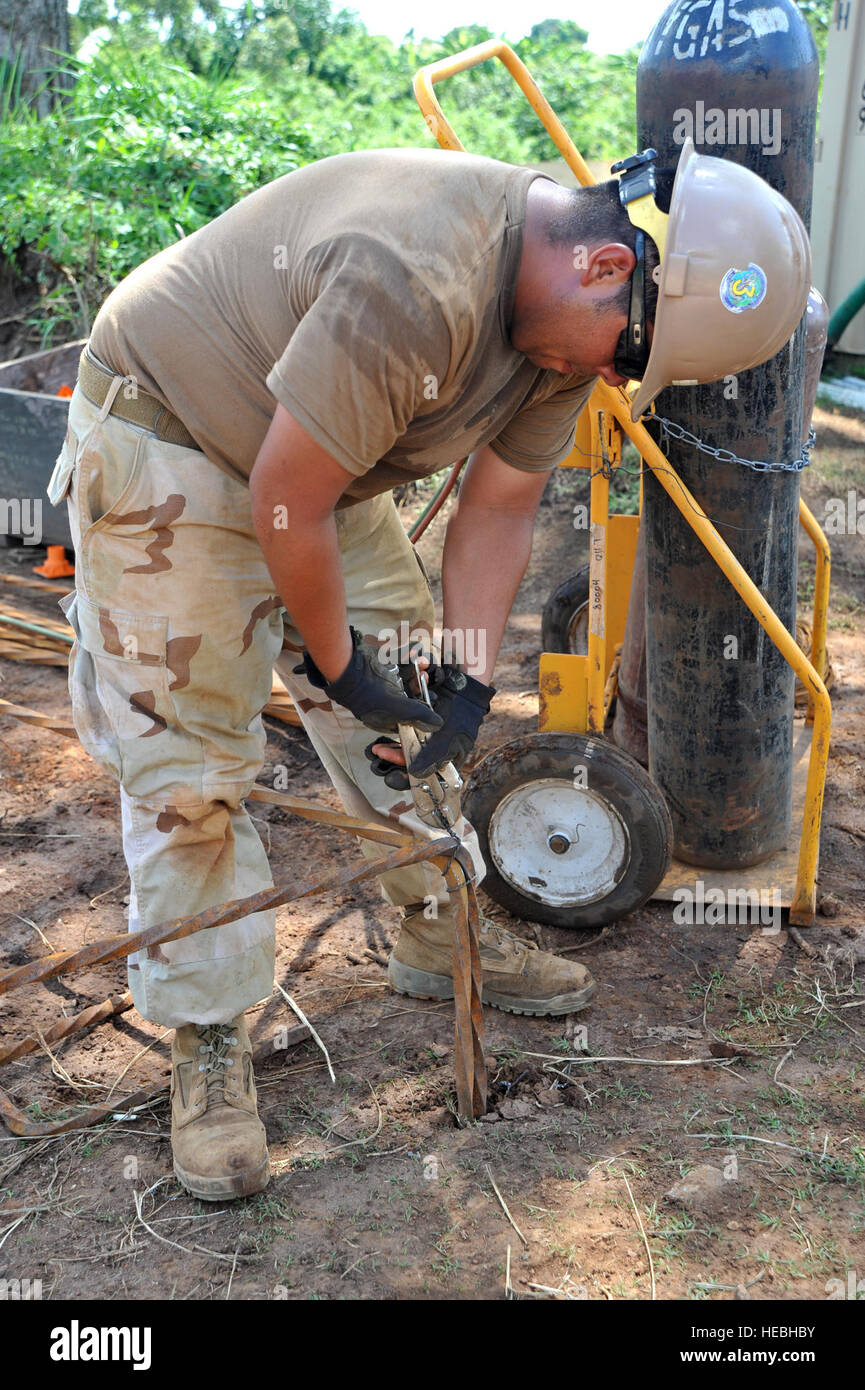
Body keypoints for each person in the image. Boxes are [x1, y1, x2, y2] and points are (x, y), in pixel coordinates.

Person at [47, 138, 809, 1201]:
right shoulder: (415, 277)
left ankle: (437, 925)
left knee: (409, 715)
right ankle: (208, 1029)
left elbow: (496, 510)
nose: (612, 377)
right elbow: (284, 500)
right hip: (174, 440)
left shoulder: (563, 336)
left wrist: (459, 679)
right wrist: (338, 662)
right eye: (626, 354)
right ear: (606, 266)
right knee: (188, 770)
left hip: (318, 465)